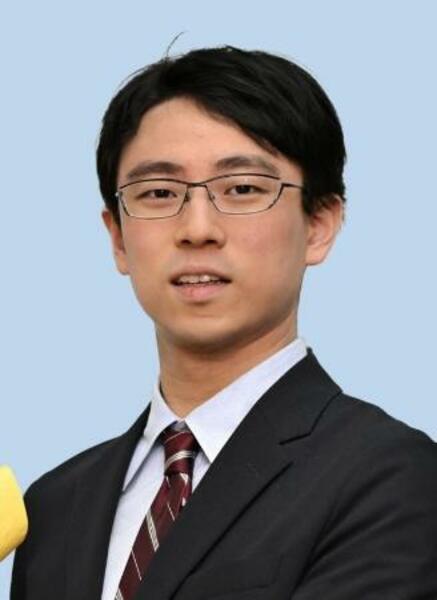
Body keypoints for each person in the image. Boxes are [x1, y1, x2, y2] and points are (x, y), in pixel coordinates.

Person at [11, 46, 437, 600]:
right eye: (158, 193)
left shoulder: (391, 477)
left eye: (242, 189)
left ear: (319, 224)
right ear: (117, 237)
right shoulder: (53, 506)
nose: (197, 229)